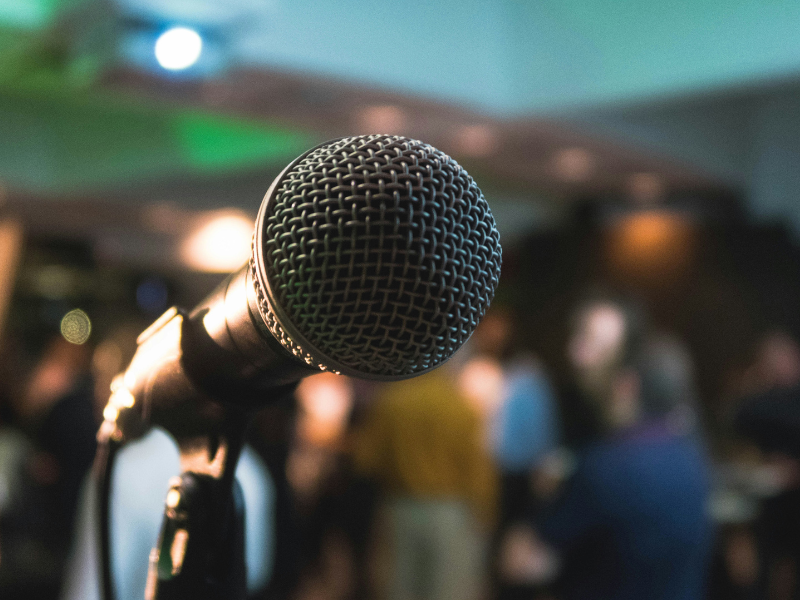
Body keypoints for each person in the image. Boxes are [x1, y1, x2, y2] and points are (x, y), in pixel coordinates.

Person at [530, 297, 712, 600]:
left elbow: (530, 558)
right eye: (579, 337)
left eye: (597, 343)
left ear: (628, 379)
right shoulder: (690, 452)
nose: (579, 354)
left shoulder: (608, 463)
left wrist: (546, 500)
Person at [353, 361, 497, 600]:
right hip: (451, 513)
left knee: (399, 588)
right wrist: (486, 515)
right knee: (448, 590)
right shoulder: (461, 406)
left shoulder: (392, 402)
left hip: (400, 507)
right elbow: (477, 470)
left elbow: (367, 461)